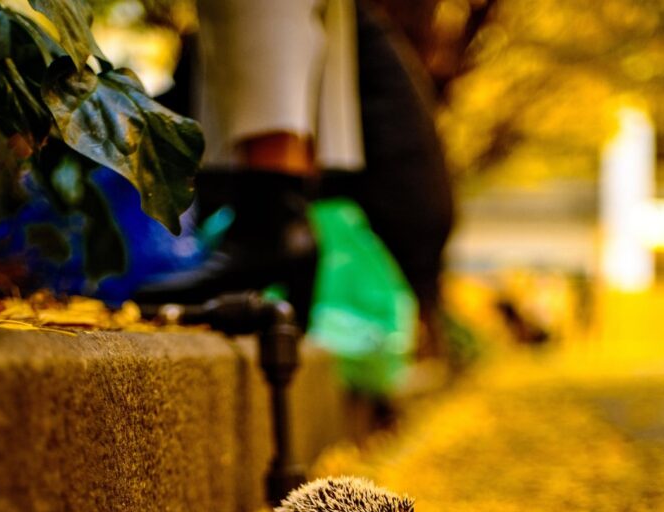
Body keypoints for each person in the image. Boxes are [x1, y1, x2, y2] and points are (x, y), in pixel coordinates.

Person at [138, 0, 453, 346]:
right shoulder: (362, 32)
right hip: (397, 239)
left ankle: (270, 229)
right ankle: (280, 228)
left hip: (381, 238)